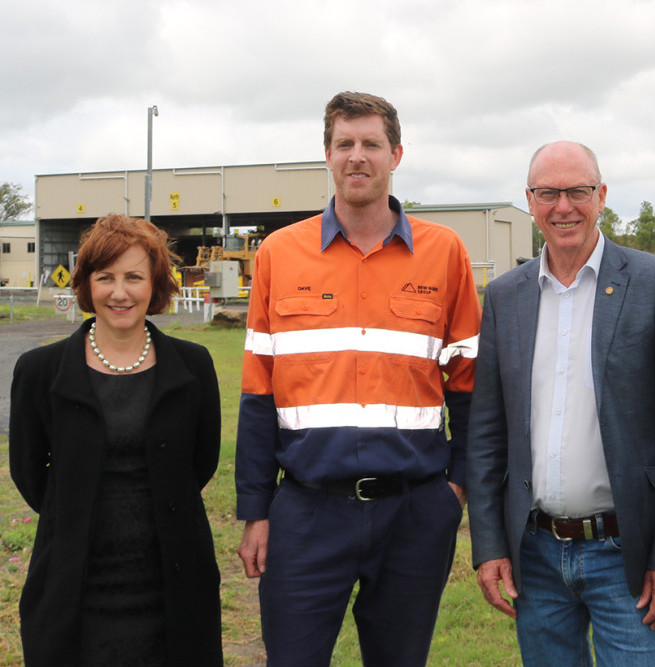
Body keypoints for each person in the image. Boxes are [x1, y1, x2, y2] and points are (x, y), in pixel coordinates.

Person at [235, 91, 480, 666]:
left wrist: (455, 491)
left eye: (371, 143)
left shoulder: (445, 253)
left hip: (414, 512)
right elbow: (256, 392)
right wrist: (256, 510)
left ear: (396, 154)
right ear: (326, 154)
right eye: (344, 143)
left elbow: (469, 389)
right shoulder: (278, 253)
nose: (357, 156)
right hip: (307, 512)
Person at [467, 141, 655, 666]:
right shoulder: (506, 297)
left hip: (626, 555)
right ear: (530, 201)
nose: (563, 207)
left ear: (601, 196)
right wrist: (489, 546)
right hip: (535, 554)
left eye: (577, 191)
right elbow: (485, 435)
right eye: (549, 193)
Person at [9, 213, 223, 667]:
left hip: (172, 581)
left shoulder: (194, 365)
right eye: (105, 277)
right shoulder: (38, 370)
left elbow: (200, 464)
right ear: (86, 284)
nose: (119, 292)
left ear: (155, 284)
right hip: (73, 583)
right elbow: (29, 473)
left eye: (133, 277)